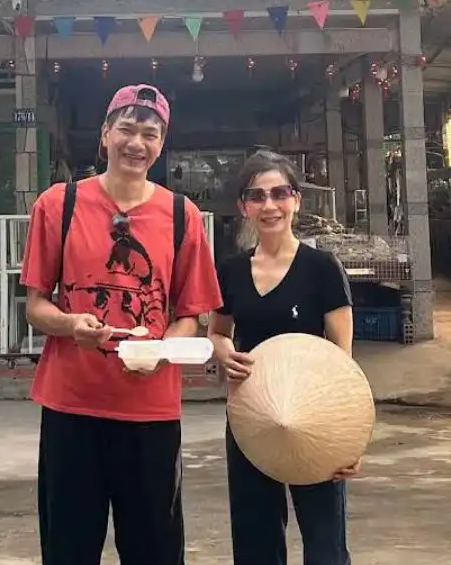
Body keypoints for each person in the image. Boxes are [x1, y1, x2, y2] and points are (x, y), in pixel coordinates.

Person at [20, 84, 222, 565]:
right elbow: (35, 306)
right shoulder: (57, 205)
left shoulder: (181, 215)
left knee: (154, 548)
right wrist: (71, 325)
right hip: (73, 408)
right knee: (68, 547)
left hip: (149, 413)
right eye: (127, 130)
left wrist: (160, 349)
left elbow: (191, 316)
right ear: (105, 133)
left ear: (161, 143)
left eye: (149, 134)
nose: (137, 143)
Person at [208, 150, 357, 565]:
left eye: (279, 193)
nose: (269, 205)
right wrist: (224, 352)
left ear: (296, 200)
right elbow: (217, 333)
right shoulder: (232, 271)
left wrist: (350, 436)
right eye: (256, 196)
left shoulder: (322, 269)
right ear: (244, 207)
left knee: (325, 542)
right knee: (256, 538)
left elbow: (343, 363)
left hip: (314, 420)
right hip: (251, 418)